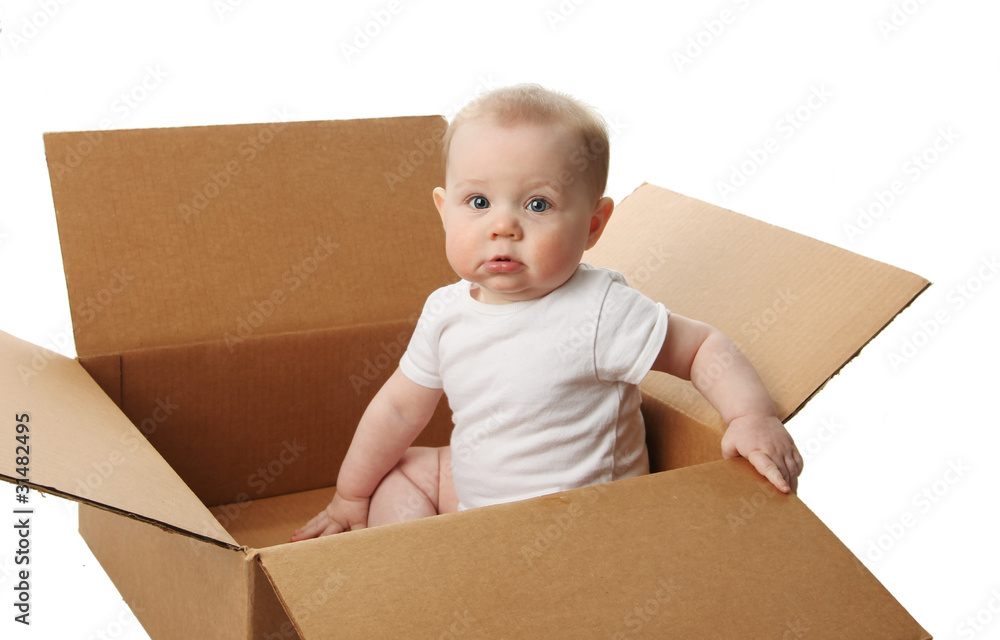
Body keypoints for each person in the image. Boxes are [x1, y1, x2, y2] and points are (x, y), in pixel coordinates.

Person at [291, 84, 802, 541]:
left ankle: (444, 565)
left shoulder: (600, 309)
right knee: (401, 471)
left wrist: (749, 416)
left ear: (593, 225)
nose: (503, 226)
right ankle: (416, 564)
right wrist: (350, 496)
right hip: (478, 512)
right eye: (478, 202)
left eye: (537, 205)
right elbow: (399, 410)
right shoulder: (445, 311)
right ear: (444, 211)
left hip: (575, 529)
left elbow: (700, 349)